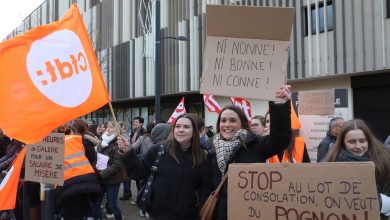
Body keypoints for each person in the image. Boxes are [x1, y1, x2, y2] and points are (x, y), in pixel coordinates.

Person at [204, 85, 292, 220]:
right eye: (223, 120)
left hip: (249, 213)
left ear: (243, 124)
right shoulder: (209, 149)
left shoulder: (256, 145)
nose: (227, 124)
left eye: (233, 120)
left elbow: (281, 139)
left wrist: (280, 105)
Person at [118, 114, 212, 220]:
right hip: (158, 215)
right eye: (178, 126)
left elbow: (205, 188)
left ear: (194, 130)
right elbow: (138, 171)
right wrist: (128, 152)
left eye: (186, 127)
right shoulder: (159, 149)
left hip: (188, 216)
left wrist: (198, 211)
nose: (181, 130)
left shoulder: (203, 155)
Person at [325, 119, 390, 219]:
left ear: (369, 140)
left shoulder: (385, 160)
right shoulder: (331, 162)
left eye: (362, 141)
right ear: (343, 143)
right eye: (352, 142)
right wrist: (377, 201)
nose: (358, 146)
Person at [55, 130, 101, 220]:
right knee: (82, 211)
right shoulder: (76, 140)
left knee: (72, 213)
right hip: (88, 180)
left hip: (68, 185)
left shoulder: (53, 144)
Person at [95, 121, 123, 220]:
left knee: (112, 205)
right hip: (100, 178)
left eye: (111, 127)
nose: (108, 129)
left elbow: (117, 164)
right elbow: (96, 157)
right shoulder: (102, 140)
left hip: (112, 180)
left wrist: (102, 174)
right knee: (97, 203)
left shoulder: (119, 143)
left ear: (117, 129)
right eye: (108, 127)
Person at [121, 117, 146, 201]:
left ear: (141, 123)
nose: (134, 123)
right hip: (132, 155)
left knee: (139, 179)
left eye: (136, 122)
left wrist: (128, 147)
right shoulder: (133, 132)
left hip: (139, 157)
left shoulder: (143, 132)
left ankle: (141, 198)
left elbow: (136, 145)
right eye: (133, 122)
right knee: (135, 178)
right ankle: (137, 196)